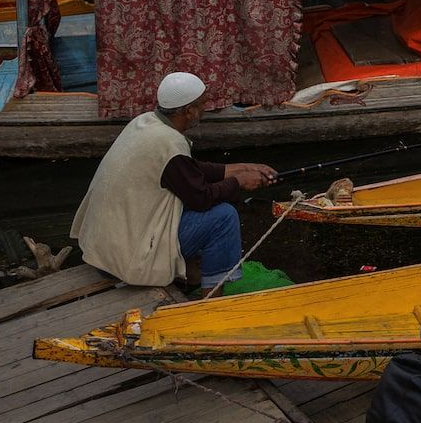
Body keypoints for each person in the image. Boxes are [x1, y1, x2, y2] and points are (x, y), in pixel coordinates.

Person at [70, 71, 277, 290]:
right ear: (189, 111)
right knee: (223, 217)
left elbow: (188, 170)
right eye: (202, 106)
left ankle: (191, 275)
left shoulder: (144, 122)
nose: (204, 111)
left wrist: (244, 168)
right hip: (125, 259)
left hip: (101, 249)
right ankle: (210, 300)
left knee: (181, 202)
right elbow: (201, 197)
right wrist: (240, 182)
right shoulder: (169, 143)